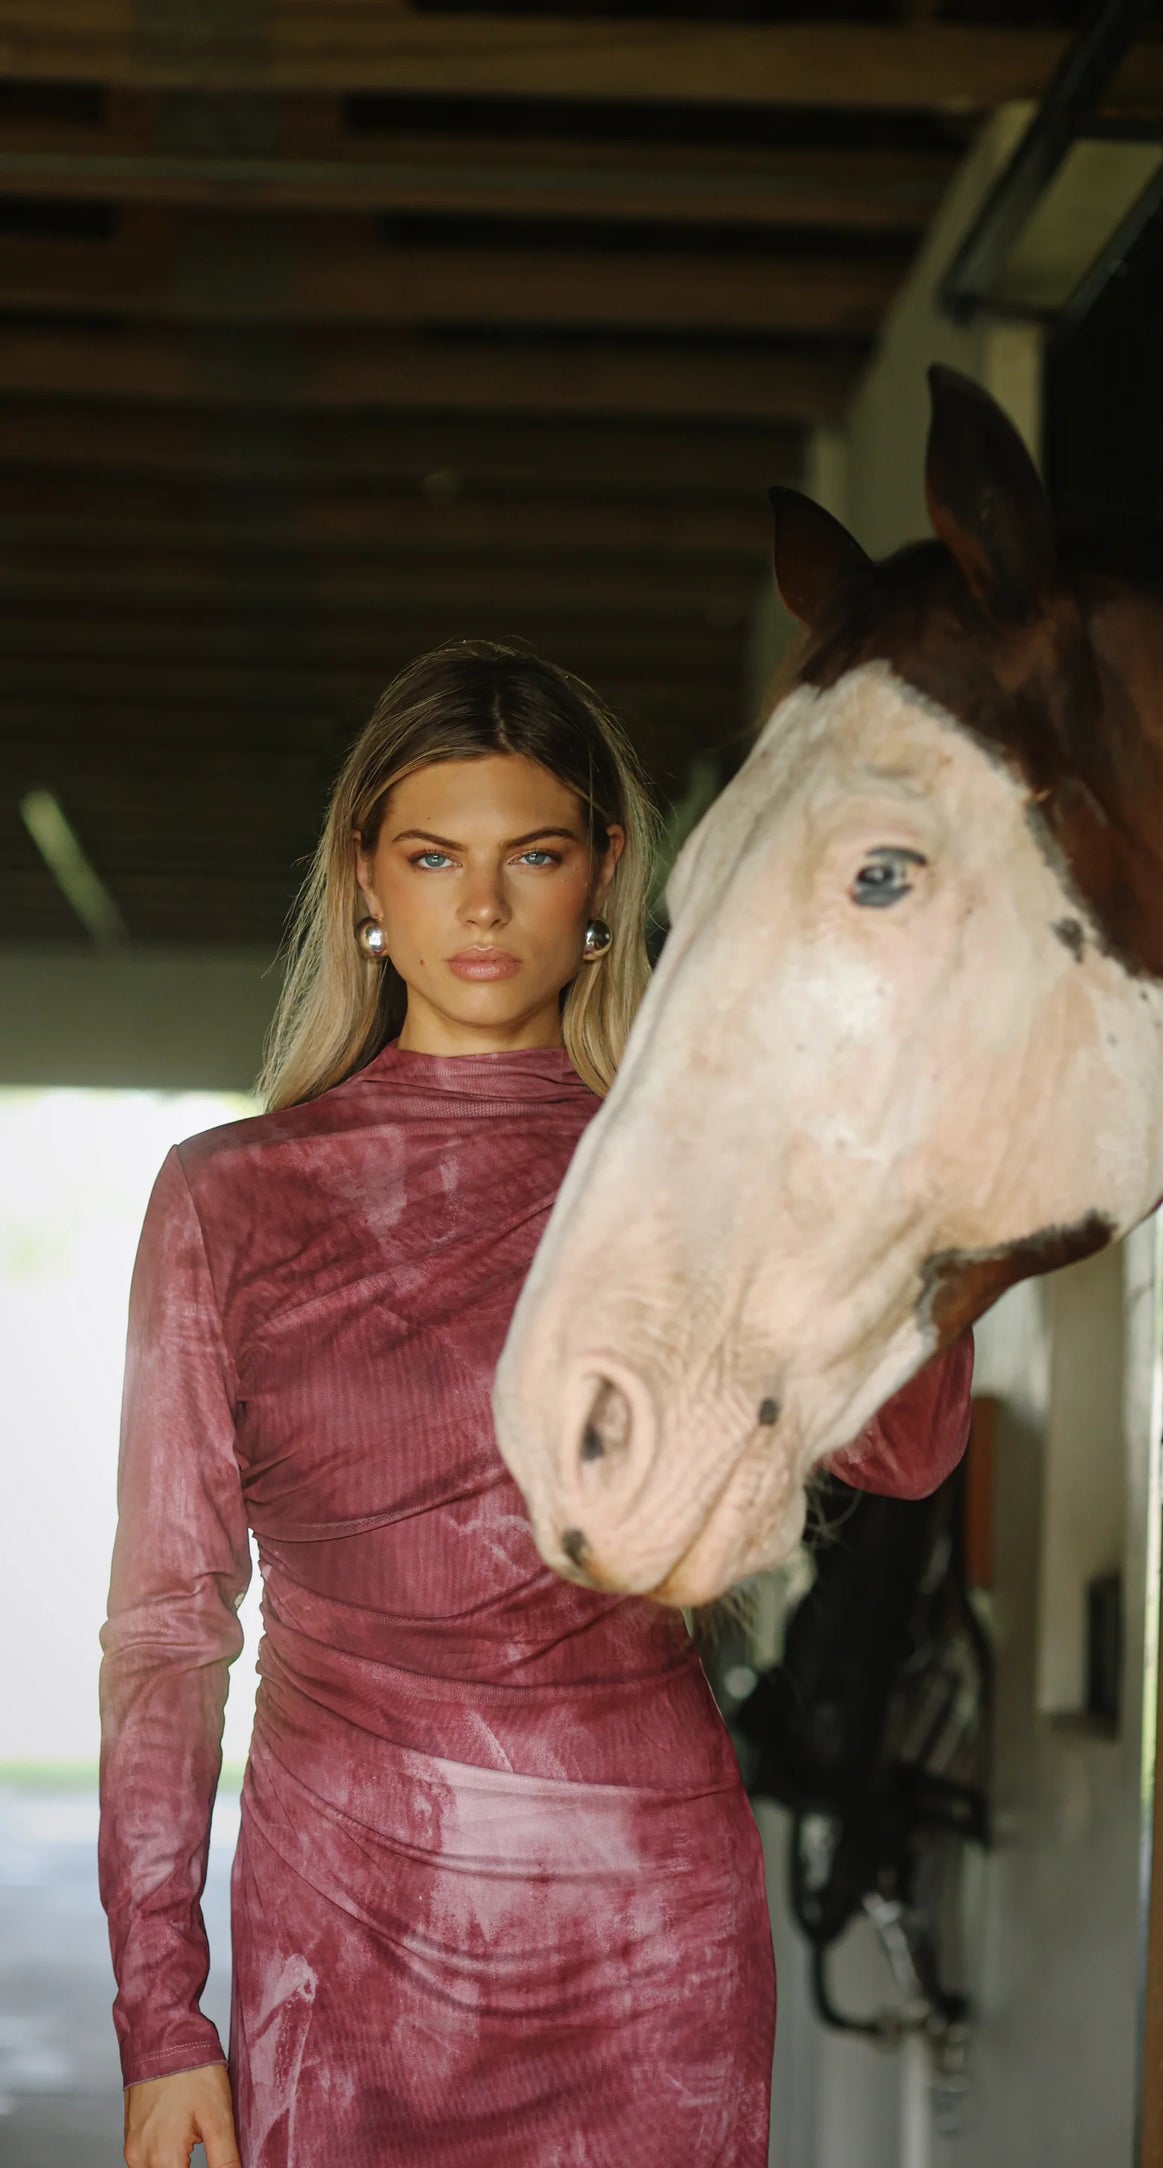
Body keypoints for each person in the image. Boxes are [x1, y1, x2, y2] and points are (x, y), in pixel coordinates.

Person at [99, 639, 974, 2168]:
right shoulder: (228, 1203)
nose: (485, 907)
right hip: (343, 1930)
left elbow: (907, 1453)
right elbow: (169, 1630)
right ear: (365, 879)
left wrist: (860, 1144)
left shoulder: (696, 1173)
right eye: (435, 857)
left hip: (647, 1934)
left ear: (606, 875)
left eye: (536, 854)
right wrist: (162, 2019)